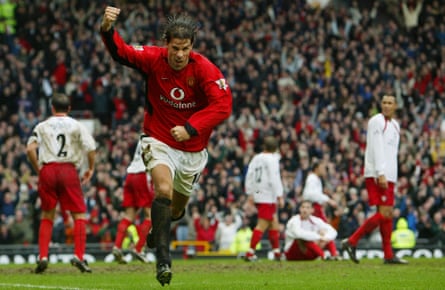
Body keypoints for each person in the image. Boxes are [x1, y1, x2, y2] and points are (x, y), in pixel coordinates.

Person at [100, 6, 232, 286]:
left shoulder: (206, 69)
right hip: (157, 138)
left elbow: (223, 105)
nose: (179, 54)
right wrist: (108, 30)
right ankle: (163, 260)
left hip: (193, 150)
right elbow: (121, 52)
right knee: (162, 190)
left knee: (175, 210)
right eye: (175, 48)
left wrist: (191, 127)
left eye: (185, 49)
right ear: (166, 45)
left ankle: (156, 231)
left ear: (191, 47)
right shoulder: (153, 58)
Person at [26, 93, 96, 273]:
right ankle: (79, 256)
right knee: (79, 215)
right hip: (68, 170)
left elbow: (30, 148)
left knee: (47, 215)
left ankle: (43, 256)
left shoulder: (42, 125)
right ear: (69, 108)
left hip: (48, 169)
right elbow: (91, 148)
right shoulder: (76, 125)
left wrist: (39, 169)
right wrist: (91, 168)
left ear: (52, 108)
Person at [341, 94, 408, 264]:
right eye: (384, 102)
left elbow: (391, 152)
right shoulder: (376, 121)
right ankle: (352, 241)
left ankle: (388, 255)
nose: (386, 105)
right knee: (385, 213)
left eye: (390, 103)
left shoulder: (395, 125)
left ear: (395, 106)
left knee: (387, 215)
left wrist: (392, 175)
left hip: (389, 174)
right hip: (378, 174)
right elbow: (376, 148)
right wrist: (381, 172)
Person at [112, 139, 155, 264]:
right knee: (150, 216)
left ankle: (117, 247)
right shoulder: (158, 135)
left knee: (129, 216)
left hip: (130, 174)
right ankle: (138, 249)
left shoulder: (143, 136)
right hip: (142, 175)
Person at [244, 136, 284, 262]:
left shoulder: (256, 158)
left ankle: (277, 252)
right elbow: (274, 178)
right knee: (262, 224)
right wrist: (279, 195)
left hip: (258, 192)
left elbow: (249, 175)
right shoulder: (272, 159)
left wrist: (250, 193)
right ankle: (250, 252)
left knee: (274, 223)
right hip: (268, 195)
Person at [302, 161, 341, 259]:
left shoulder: (316, 179)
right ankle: (332, 253)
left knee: (323, 229)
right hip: (314, 208)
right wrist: (328, 199)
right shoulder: (312, 179)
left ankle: (329, 253)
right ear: (316, 168)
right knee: (326, 229)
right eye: (322, 167)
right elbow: (309, 194)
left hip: (316, 207)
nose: (324, 170)